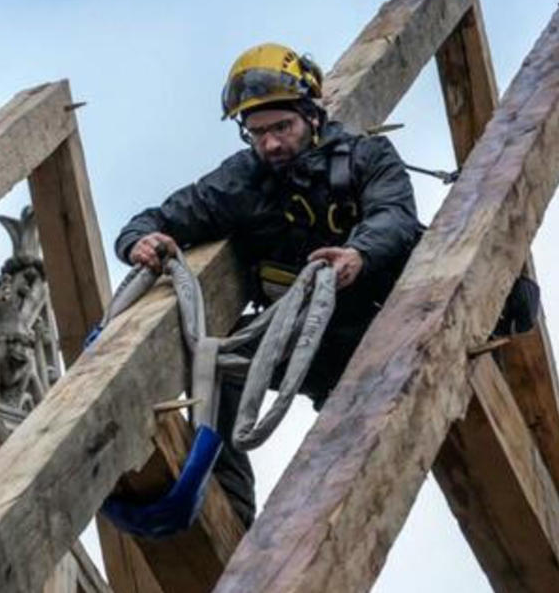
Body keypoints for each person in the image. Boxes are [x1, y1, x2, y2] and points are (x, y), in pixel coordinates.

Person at [114, 42, 424, 526]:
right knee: (217, 371)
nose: (272, 144)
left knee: (349, 467)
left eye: (283, 127)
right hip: (300, 340)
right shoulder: (243, 180)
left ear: (312, 115)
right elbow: (164, 216)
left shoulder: (366, 158)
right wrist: (139, 240)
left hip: (379, 330)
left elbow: (395, 217)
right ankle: (229, 515)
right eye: (258, 133)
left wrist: (358, 254)